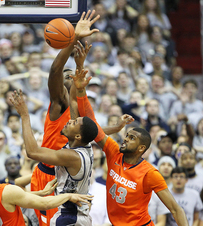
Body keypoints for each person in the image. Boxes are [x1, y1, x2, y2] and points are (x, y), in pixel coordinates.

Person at [72, 68, 189, 225]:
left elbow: (175, 209)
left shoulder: (150, 173)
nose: (125, 139)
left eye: (131, 138)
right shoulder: (114, 152)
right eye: (126, 136)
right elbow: (91, 125)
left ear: (141, 148)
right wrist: (81, 90)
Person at [29, 10, 101, 226]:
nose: (70, 77)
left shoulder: (79, 109)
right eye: (67, 76)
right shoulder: (59, 104)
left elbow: (96, 128)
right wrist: (74, 38)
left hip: (70, 173)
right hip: (47, 172)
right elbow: (54, 70)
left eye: (73, 75)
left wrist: (79, 66)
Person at [10, 87, 100, 225]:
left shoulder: (71, 156)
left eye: (74, 122)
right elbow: (75, 109)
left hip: (69, 217)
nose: (70, 121)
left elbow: (32, 152)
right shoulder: (85, 144)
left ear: (77, 136)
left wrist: (24, 115)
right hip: (77, 215)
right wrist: (77, 85)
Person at [0, 159, 93, 226]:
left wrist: (41, 192)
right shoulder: (6, 190)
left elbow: (7, 201)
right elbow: (44, 204)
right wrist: (68, 195)